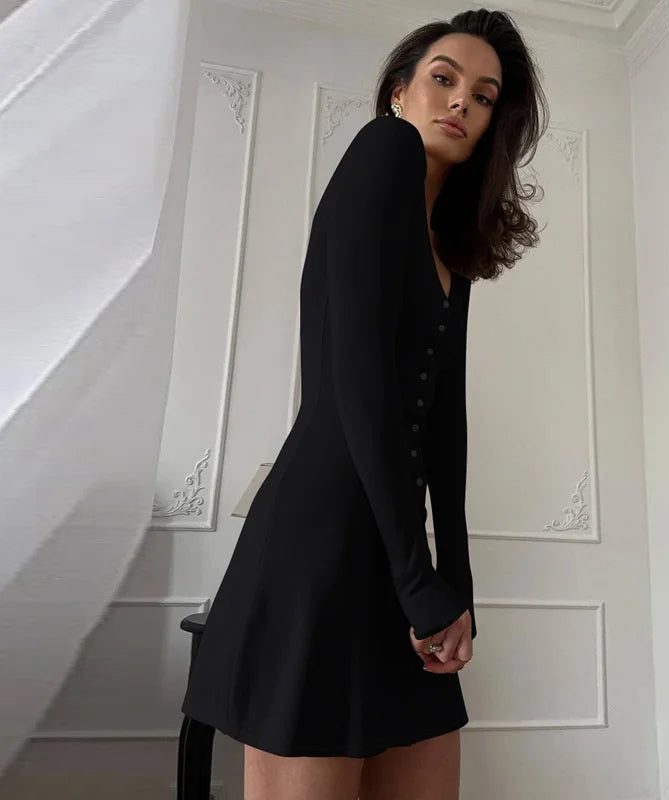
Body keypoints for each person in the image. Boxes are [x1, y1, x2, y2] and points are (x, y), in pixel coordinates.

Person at [180, 8, 548, 799]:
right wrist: (421, 579)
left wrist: (456, 581)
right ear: (398, 93)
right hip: (320, 543)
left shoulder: (451, 244)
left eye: (484, 96)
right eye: (444, 78)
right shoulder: (385, 149)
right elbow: (358, 379)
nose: (462, 101)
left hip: (395, 553)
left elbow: (443, 419)